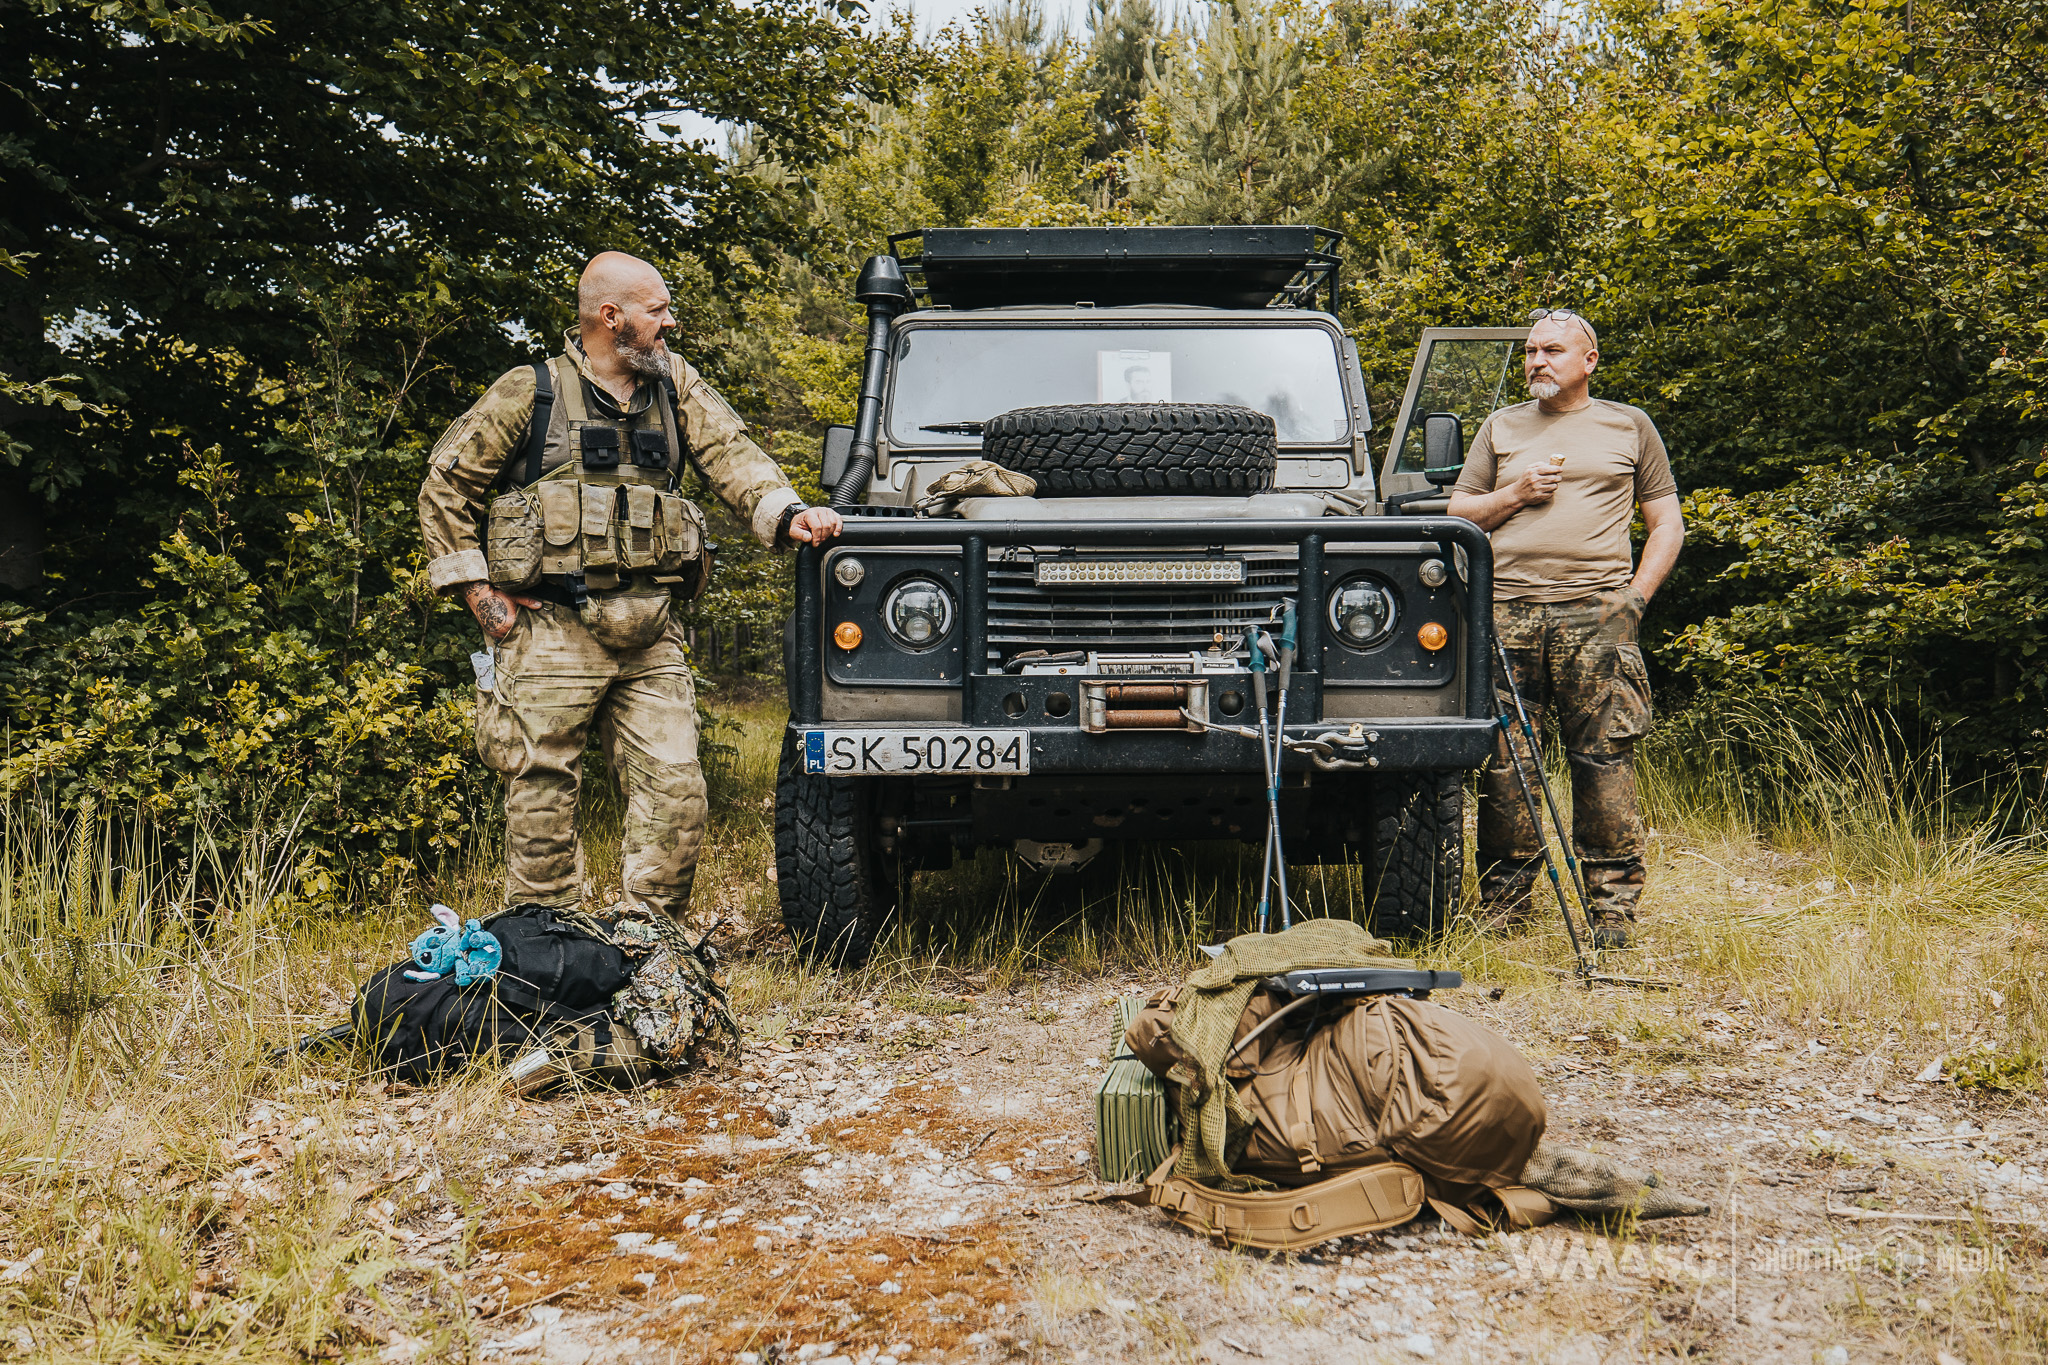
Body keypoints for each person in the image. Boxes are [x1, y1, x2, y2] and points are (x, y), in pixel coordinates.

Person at [419, 251, 842, 932]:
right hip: (552, 628)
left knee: (677, 792)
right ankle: (544, 952)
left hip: (651, 632)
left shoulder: (673, 384)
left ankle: (650, 951)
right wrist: (484, 601)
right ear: (611, 318)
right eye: (657, 310)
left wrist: (788, 512)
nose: (669, 322)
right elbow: (446, 486)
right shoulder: (533, 391)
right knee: (541, 799)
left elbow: (734, 454)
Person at [1446, 309, 1684, 949]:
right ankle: (1505, 914)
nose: (1536, 361)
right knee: (1505, 766)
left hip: (1595, 615)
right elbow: (1459, 514)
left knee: (1604, 759)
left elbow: (1667, 524)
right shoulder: (1501, 427)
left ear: (1589, 360)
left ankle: (1612, 915)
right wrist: (1515, 493)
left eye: (1552, 350)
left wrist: (1634, 599)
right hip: (1504, 614)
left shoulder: (1628, 427)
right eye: (1529, 351)